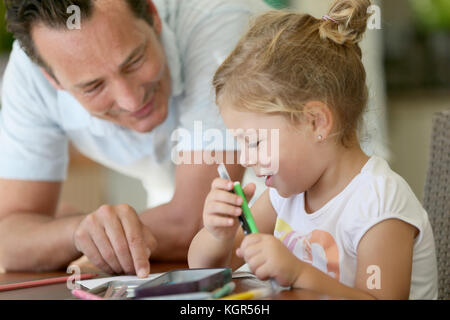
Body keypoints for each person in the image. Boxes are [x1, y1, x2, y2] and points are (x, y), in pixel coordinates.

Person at [188, 0, 438, 299]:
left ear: (317, 122)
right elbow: (205, 270)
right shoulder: (285, 196)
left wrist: (299, 273)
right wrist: (219, 236)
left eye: (254, 141)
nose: (244, 158)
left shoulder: (378, 203)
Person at [0, 0, 269, 276]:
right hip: (176, 234)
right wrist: (80, 230)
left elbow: (194, 221)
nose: (130, 100)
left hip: (286, 222)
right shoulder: (30, 74)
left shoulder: (219, 21)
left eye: (134, 61)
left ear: (153, 16)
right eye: (93, 86)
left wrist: (61, 237)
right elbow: (8, 240)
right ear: (51, 79)